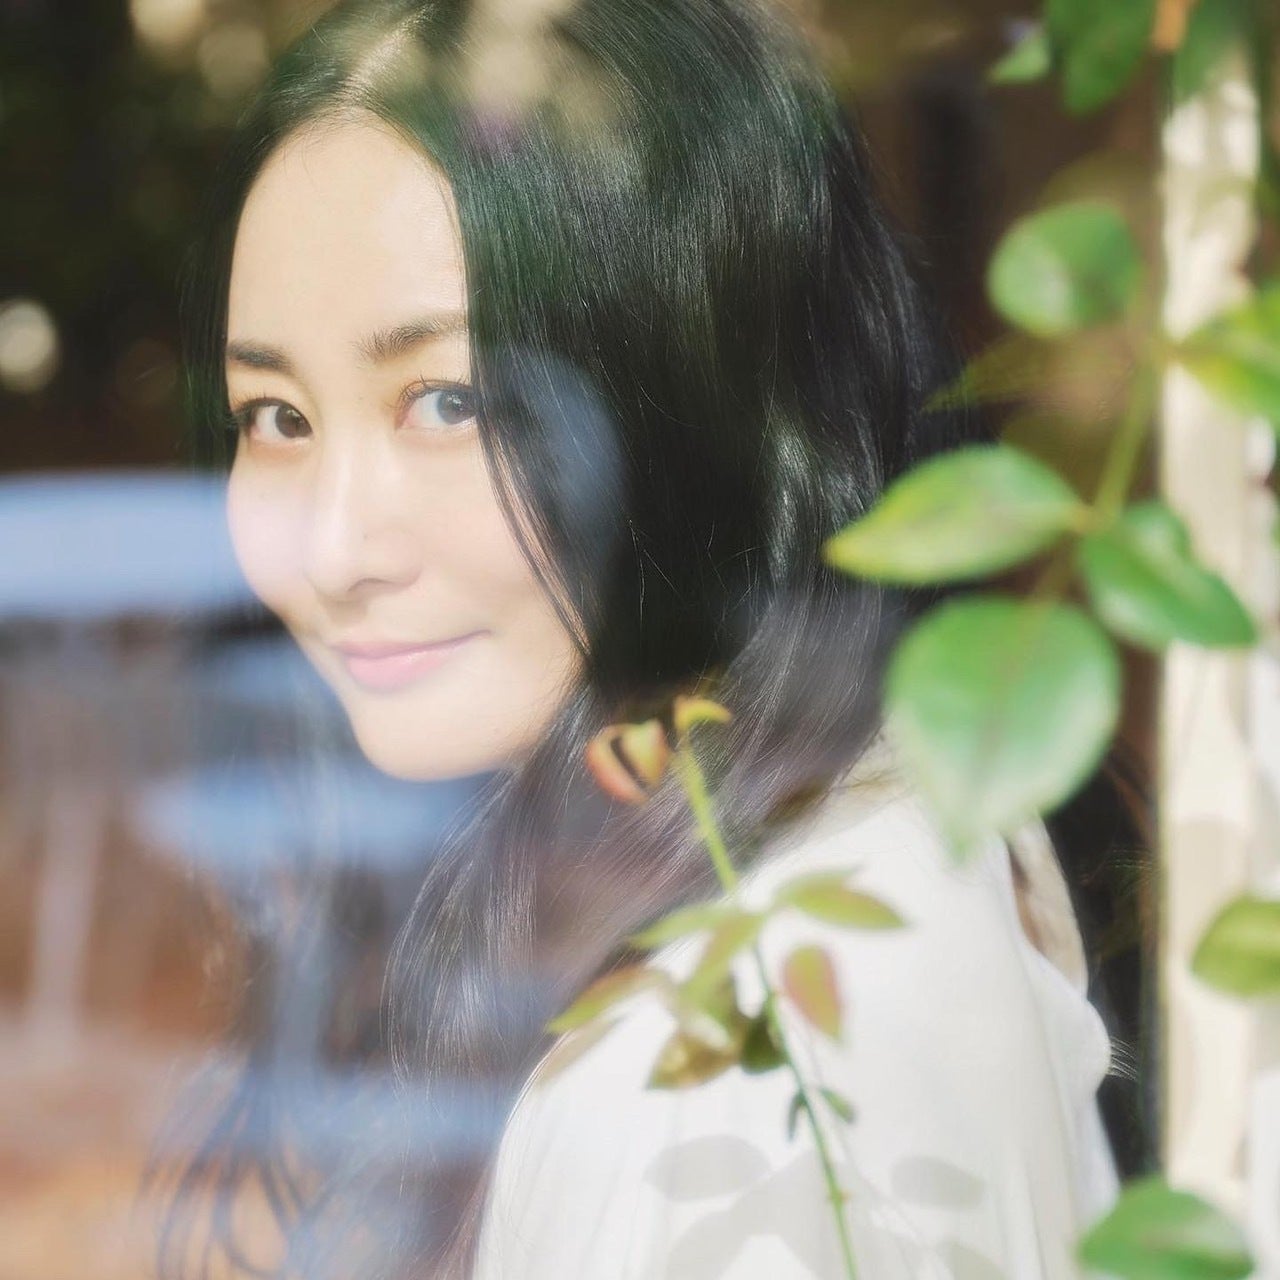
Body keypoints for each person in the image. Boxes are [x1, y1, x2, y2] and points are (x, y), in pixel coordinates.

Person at [167, 0, 1143, 1276]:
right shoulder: (852, 840)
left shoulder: (718, 1064)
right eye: (277, 416)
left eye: (450, 400)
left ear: (707, 407)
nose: (331, 548)